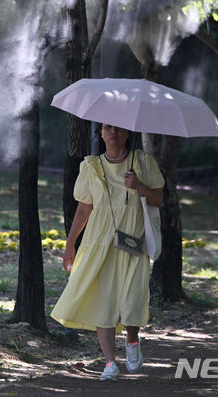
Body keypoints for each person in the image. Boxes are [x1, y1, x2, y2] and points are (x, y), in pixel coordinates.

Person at [51, 123, 164, 381]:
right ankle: (110, 363)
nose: (113, 132)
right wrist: (70, 244)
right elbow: (83, 208)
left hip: (133, 243)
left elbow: (158, 198)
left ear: (127, 133)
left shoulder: (143, 162)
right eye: (107, 128)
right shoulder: (91, 165)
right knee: (104, 302)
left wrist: (139, 186)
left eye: (119, 129)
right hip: (98, 242)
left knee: (131, 301)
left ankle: (132, 341)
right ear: (101, 133)